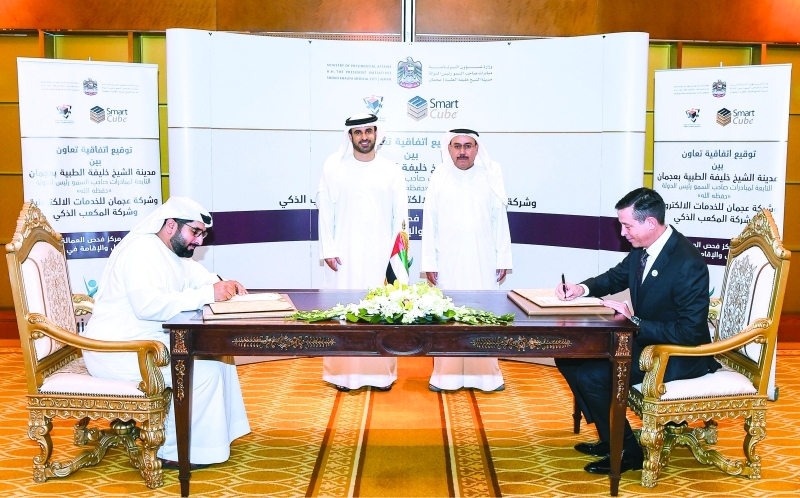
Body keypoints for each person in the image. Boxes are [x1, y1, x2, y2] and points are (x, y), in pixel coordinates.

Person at [555, 187, 719, 475]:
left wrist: (636, 322)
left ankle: (626, 451)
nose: (622, 232)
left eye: (627, 225)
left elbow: (690, 332)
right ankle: (611, 437)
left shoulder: (687, 263)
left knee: (592, 376)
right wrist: (581, 288)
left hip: (679, 354)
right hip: (648, 342)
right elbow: (615, 277)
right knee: (568, 357)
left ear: (650, 223)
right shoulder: (644, 249)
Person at [82, 197, 251, 469]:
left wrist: (222, 284)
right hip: (118, 350)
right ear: (171, 225)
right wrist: (208, 294)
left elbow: (200, 277)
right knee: (203, 369)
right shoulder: (141, 251)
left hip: (147, 343)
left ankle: (213, 442)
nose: (199, 241)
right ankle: (174, 451)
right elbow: (148, 306)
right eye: (195, 232)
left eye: (203, 234)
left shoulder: (172, 253)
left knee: (219, 355)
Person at [316, 113, 408, 392]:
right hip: (344, 256)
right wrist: (328, 249)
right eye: (358, 132)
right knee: (345, 313)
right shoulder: (334, 167)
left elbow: (400, 218)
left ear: (377, 134)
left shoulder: (391, 170)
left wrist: (397, 260)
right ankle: (343, 376)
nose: (364, 137)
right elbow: (325, 212)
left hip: (381, 257)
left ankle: (380, 375)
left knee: (381, 311)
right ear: (350, 136)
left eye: (369, 131)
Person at [422, 128, 512, 393]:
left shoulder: (491, 173)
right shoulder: (439, 176)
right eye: (457, 146)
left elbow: (500, 220)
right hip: (447, 261)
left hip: (483, 259)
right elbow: (430, 222)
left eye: (468, 146)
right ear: (449, 149)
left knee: (483, 314)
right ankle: (446, 376)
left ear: (476, 148)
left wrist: (502, 258)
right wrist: (430, 263)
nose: (462, 151)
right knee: (448, 316)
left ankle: (486, 377)